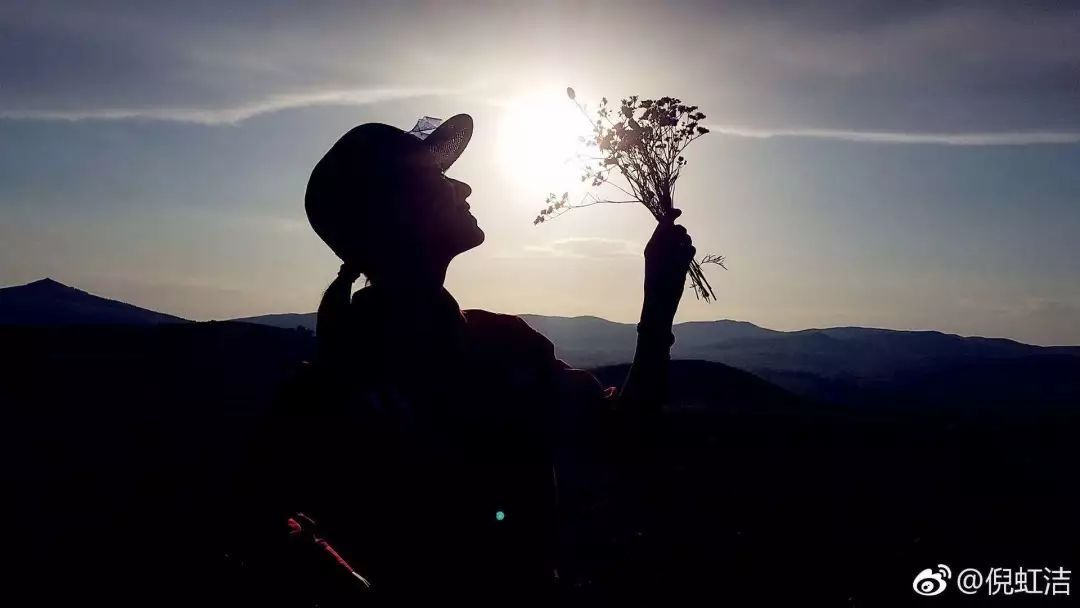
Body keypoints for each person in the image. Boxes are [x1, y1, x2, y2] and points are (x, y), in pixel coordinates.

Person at [232, 114, 695, 603]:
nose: (464, 186)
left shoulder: (331, 379)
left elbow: (253, 517)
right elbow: (625, 432)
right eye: (438, 178)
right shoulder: (500, 349)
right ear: (403, 212)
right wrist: (659, 304)